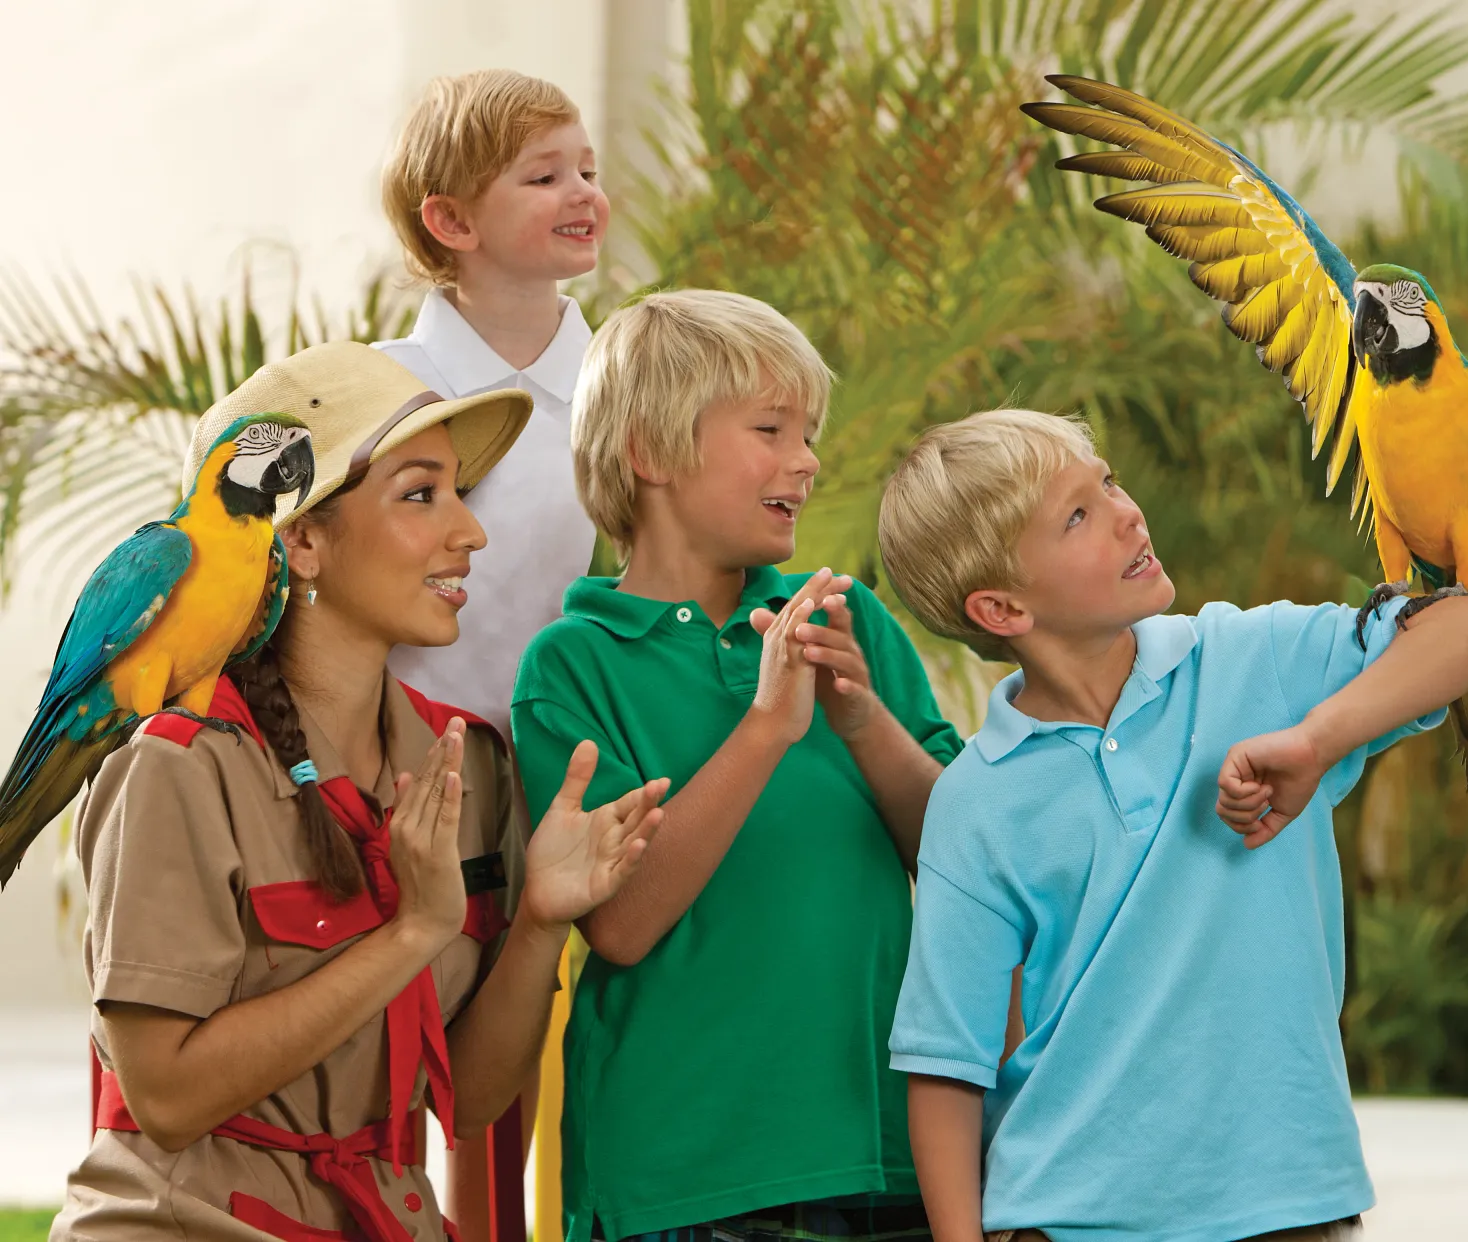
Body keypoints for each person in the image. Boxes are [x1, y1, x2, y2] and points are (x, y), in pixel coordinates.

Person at [49, 342, 667, 1242]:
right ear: (299, 539)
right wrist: (411, 932)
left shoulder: (468, 768)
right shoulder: (177, 768)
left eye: (462, 493)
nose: (471, 533)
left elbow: (471, 1100)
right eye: (422, 495)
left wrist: (539, 919)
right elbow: (168, 1097)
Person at [877, 409, 1468, 1242]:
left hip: (1292, 1204)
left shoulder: (1256, 661)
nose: (1127, 511)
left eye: (1107, 480)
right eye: (1077, 515)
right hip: (1063, 1216)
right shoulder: (978, 800)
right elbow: (944, 1063)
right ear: (1001, 608)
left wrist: (1313, 740)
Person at [511, 290, 964, 1242]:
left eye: (808, 433)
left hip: (884, 1157)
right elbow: (623, 926)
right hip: (682, 1180)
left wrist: (862, 721)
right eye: (770, 429)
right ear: (650, 452)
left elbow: (966, 857)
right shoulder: (574, 665)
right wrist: (764, 727)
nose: (805, 460)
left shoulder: (847, 622)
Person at [375, 67, 607, 737]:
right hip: (405, 768)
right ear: (452, 219)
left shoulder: (628, 393)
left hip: (573, 764)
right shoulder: (380, 391)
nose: (582, 194)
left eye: (588, 174)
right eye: (545, 178)